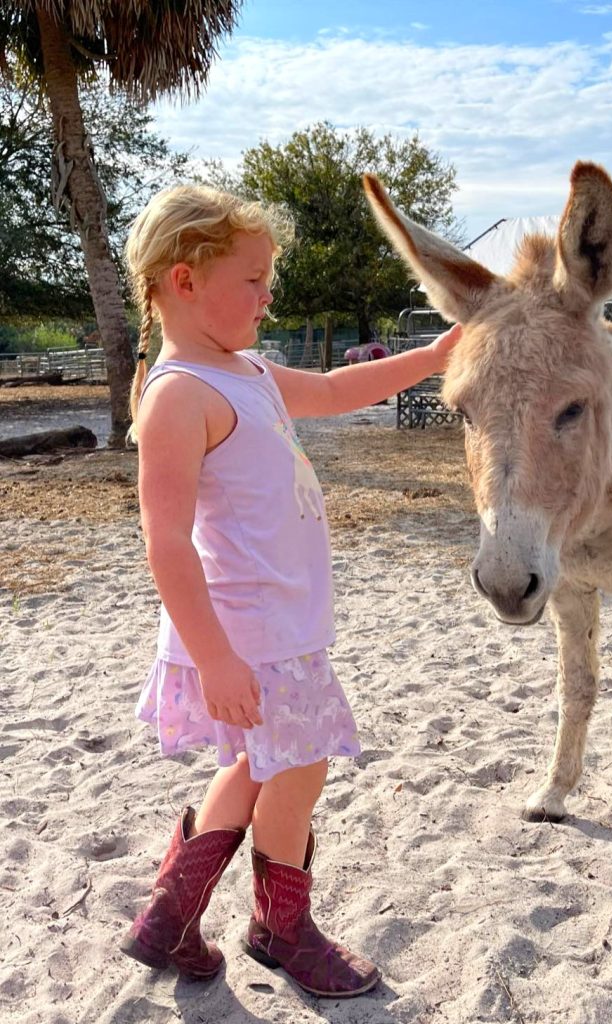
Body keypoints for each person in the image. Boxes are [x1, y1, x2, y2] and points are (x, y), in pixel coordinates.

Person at [118, 184, 462, 999]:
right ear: (183, 280)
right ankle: (280, 927)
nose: (269, 294)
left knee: (256, 766)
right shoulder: (178, 395)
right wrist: (214, 659)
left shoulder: (246, 372)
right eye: (253, 278)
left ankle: (170, 914)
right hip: (247, 635)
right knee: (298, 770)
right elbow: (164, 544)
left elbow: (340, 393)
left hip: (274, 626)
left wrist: (435, 356)